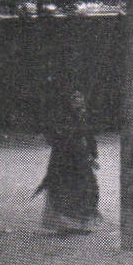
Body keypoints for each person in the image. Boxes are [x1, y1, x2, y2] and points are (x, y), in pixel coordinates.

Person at [34, 86, 101, 234]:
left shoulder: (84, 115)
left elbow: (89, 135)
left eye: (80, 97)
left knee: (85, 189)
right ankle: (64, 224)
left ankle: (81, 223)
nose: (77, 100)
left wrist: (92, 153)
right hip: (65, 159)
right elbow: (56, 135)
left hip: (81, 159)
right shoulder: (63, 116)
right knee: (63, 188)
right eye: (74, 97)